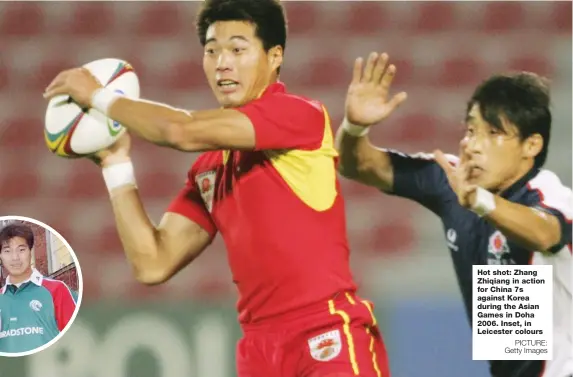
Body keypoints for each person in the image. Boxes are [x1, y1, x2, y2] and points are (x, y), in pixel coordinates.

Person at [43, 0, 390, 375]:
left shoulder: (301, 116)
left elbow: (181, 130)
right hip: (258, 352)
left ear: (275, 57)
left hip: (324, 335)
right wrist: (115, 164)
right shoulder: (209, 170)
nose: (222, 62)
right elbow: (152, 263)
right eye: (212, 51)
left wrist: (98, 97)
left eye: (238, 49)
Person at [335, 52, 572, 377]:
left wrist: (479, 201)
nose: (474, 145)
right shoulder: (453, 180)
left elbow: (545, 233)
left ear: (531, 145)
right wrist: (355, 127)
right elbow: (357, 165)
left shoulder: (547, 193)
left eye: (493, 133)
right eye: (472, 130)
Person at [0, 223, 78, 353]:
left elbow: (76, 340)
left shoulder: (57, 290)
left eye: (21, 249)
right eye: (7, 251)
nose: (15, 258)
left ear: (30, 251)